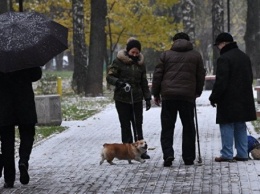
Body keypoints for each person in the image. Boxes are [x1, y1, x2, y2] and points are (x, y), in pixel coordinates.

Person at [152, 32, 205, 167]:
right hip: (187, 96)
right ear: (188, 41)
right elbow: (200, 76)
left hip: (169, 96)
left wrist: (156, 94)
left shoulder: (165, 55)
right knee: (188, 127)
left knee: (167, 127)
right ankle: (188, 157)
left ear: (174, 41)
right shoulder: (196, 55)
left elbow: (158, 75)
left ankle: (168, 154)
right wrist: (197, 91)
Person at [209, 32, 256, 162]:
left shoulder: (224, 58)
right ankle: (242, 153)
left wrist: (214, 97)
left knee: (226, 125)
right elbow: (250, 77)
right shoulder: (244, 57)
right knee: (240, 125)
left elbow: (221, 81)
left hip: (228, 99)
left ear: (223, 44)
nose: (218, 48)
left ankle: (227, 154)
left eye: (218, 45)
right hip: (243, 97)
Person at [106, 38, 151, 159]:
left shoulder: (140, 64)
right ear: (128, 51)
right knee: (125, 125)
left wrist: (147, 98)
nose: (135, 55)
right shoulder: (118, 61)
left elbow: (144, 81)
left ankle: (141, 150)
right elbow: (109, 77)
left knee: (138, 124)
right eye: (133, 52)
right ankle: (128, 151)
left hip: (136, 98)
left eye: (137, 53)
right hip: (122, 98)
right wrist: (118, 82)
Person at [0, 67, 42, 188]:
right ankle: (23, 161)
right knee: (27, 134)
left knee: (7, 142)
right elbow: (36, 75)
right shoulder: (25, 57)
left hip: (4, 105)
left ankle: (9, 178)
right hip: (24, 102)